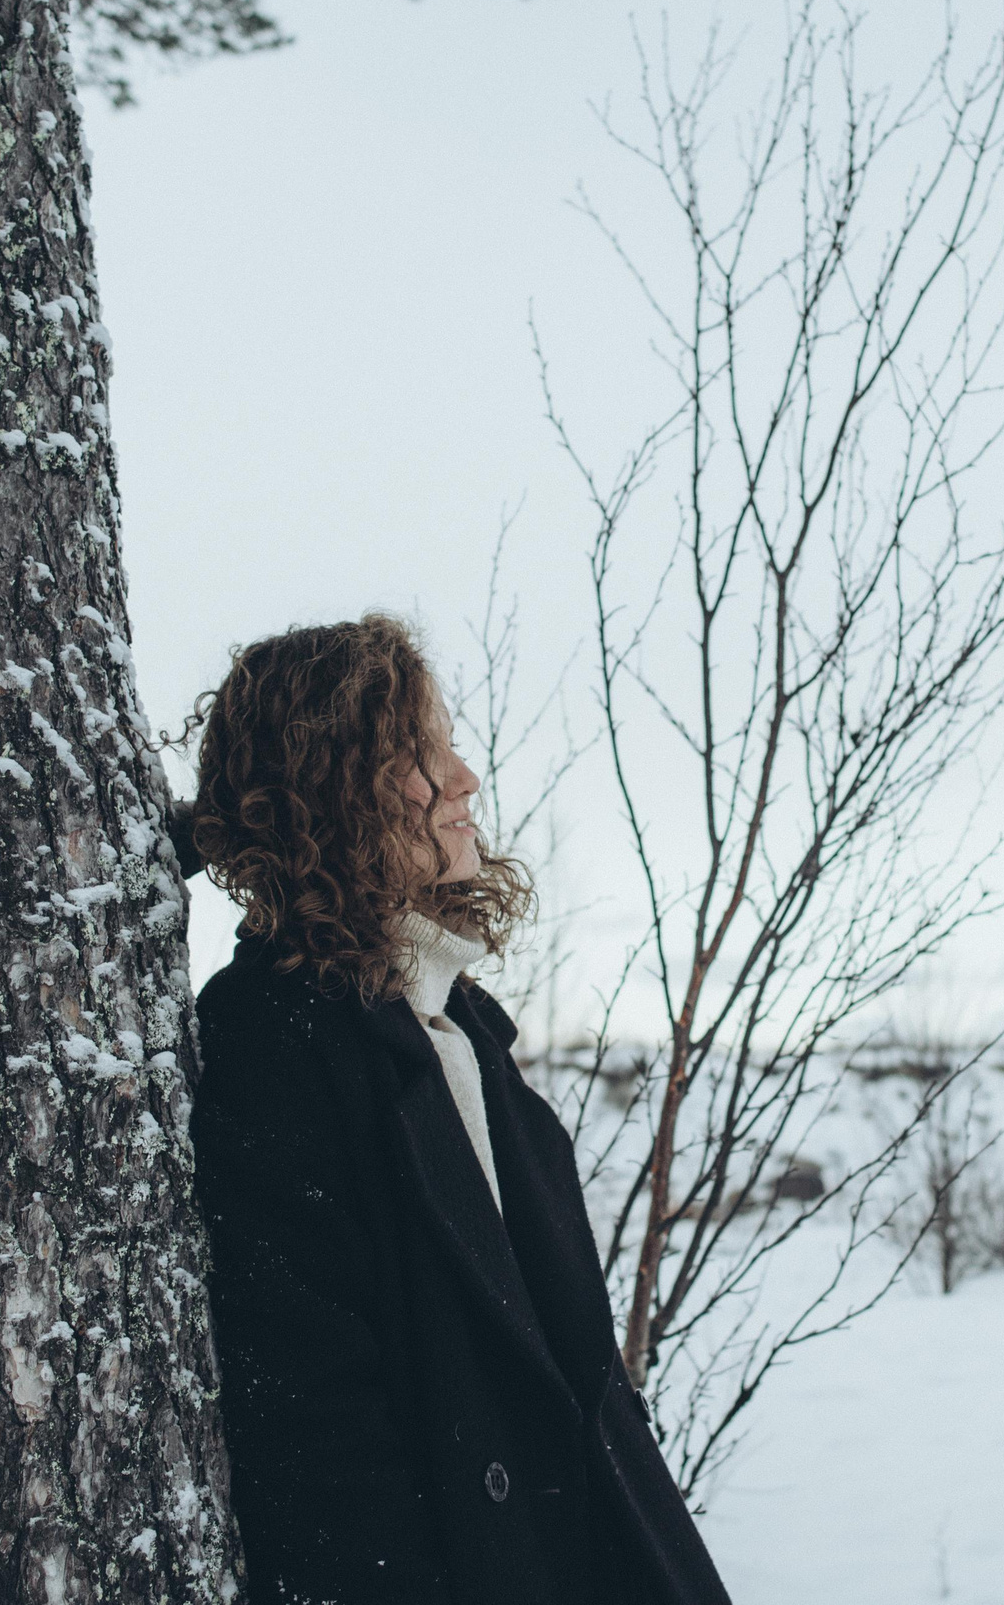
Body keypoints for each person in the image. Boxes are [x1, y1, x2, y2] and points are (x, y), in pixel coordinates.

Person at [174, 616, 730, 1605]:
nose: (464, 777)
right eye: (419, 757)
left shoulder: (454, 1019)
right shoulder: (273, 1039)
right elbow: (311, 1426)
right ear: (330, 789)